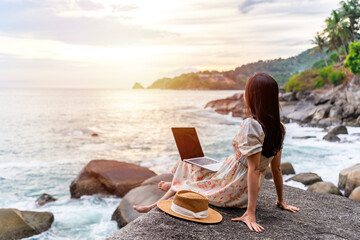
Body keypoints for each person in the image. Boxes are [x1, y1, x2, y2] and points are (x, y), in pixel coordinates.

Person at [133, 72, 299, 232]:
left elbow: (254, 170)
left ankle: (156, 203)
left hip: (233, 185)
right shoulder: (280, 129)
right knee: (189, 161)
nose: (244, 96)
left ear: (254, 98)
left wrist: (250, 213)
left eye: (246, 92)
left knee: (189, 168)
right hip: (234, 176)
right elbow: (276, 168)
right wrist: (281, 201)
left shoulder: (252, 125)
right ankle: (177, 186)